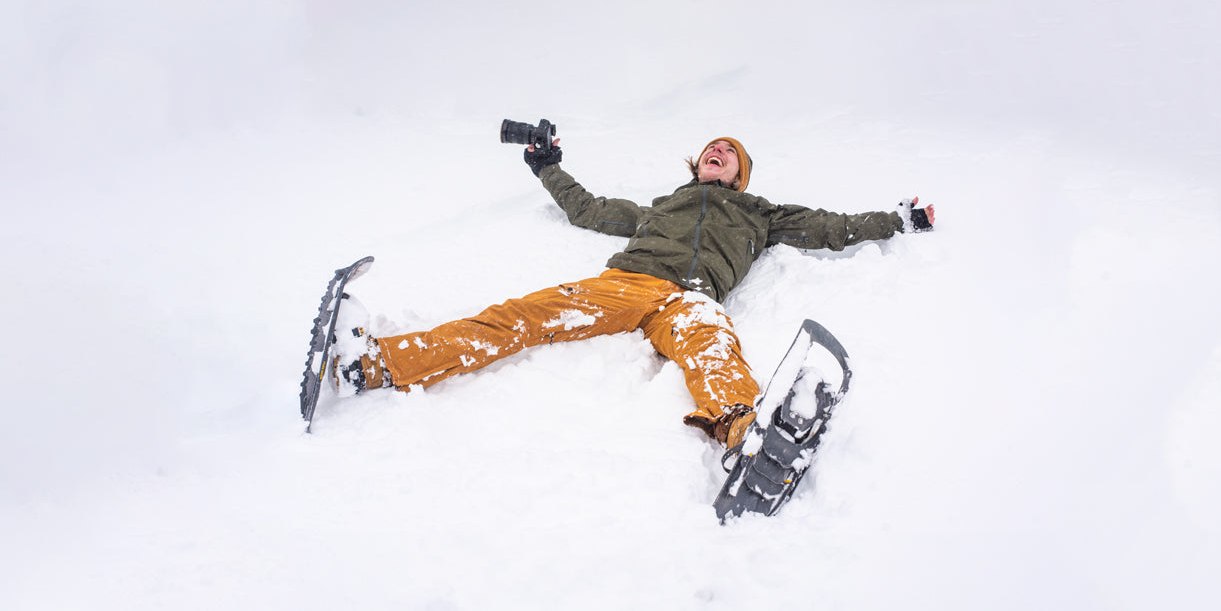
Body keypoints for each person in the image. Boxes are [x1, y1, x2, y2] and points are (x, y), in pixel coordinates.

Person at [334, 135, 934, 450]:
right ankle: (377, 363)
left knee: (715, 349)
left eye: (729, 152)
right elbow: (588, 209)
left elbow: (834, 227)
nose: (718, 151)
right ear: (697, 164)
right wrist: (548, 166)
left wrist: (899, 221)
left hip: (693, 299)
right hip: (627, 285)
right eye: (712, 147)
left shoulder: (762, 213)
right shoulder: (660, 208)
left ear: (740, 174)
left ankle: (744, 433)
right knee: (519, 317)